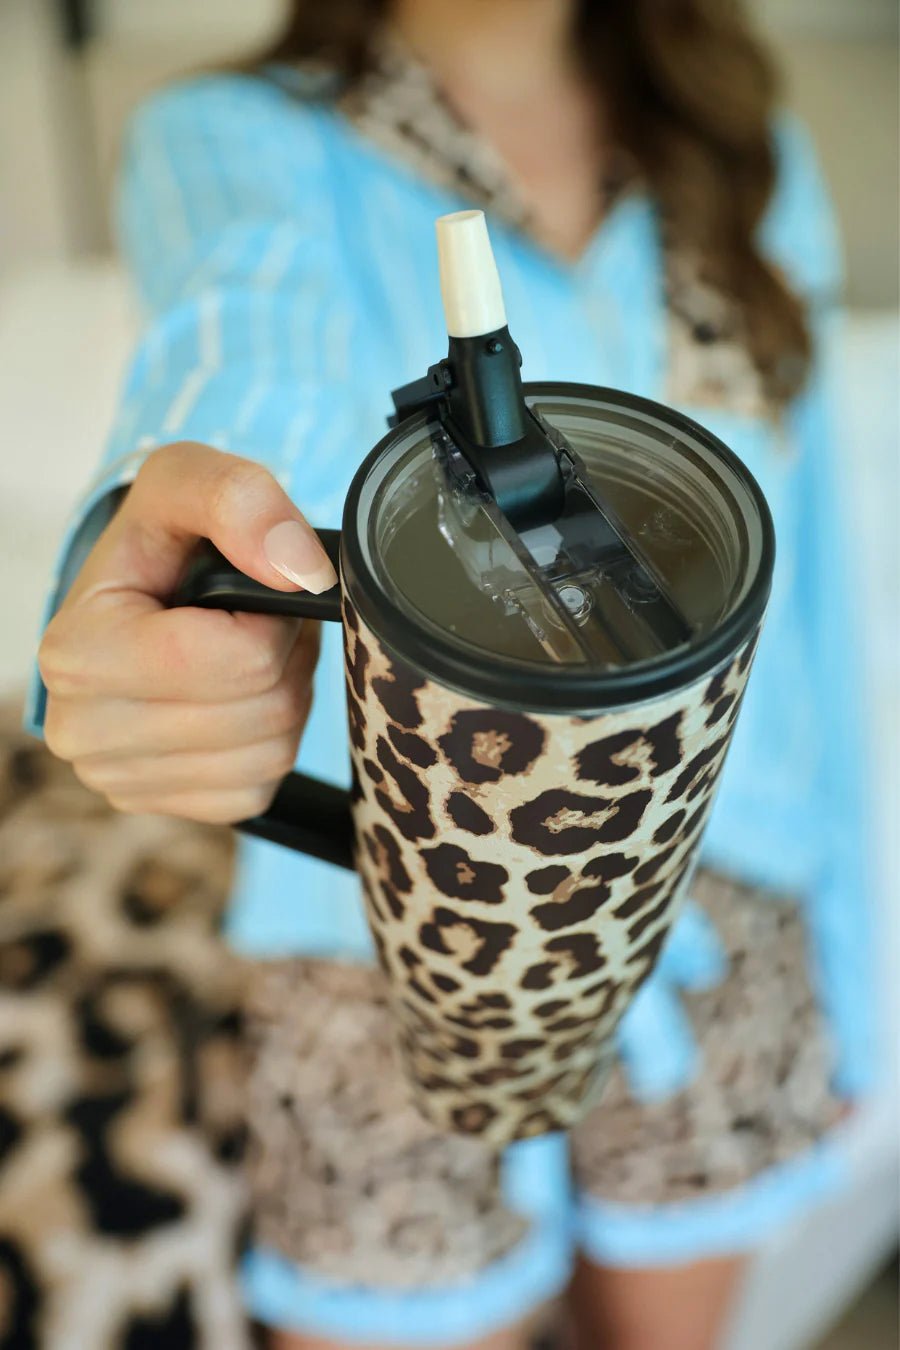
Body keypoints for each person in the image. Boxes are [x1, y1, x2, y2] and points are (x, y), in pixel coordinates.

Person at [29, 1, 876, 1346]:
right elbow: (241, 347)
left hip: (731, 900)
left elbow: (826, 580)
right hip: (384, 928)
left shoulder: (743, 143)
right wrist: (162, 534)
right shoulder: (236, 139)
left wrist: (865, 984)